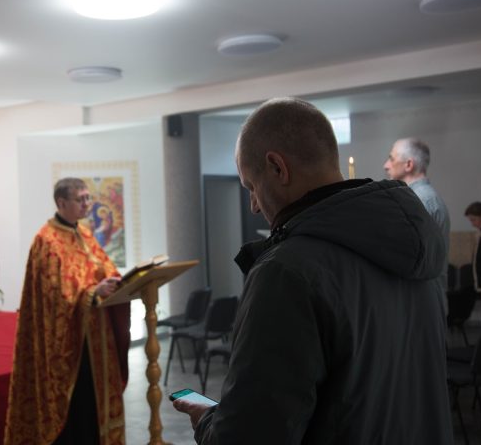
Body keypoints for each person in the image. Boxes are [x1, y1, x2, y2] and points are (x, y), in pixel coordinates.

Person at [174, 98, 452, 443]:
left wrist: (207, 422)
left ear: (277, 168)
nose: (254, 205)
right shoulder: (415, 246)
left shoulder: (287, 272)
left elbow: (251, 436)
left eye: (251, 187)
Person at [4, 177, 130, 445]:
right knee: (77, 405)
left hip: (97, 337)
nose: (87, 204)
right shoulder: (47, 241)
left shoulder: (84, 233)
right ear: (61, 202)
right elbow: (54, 296)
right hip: (69, 343)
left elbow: (104, 267)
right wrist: (91, 293)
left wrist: (118, 281)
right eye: (80, 199)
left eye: (87, 197)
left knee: (94, 402)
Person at [384, 137, 451, 308]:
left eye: (391, 158)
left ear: (408, 165)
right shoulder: (420, 198)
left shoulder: (419, 201)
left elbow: (410, 260)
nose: (386, 165)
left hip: (421, 303)